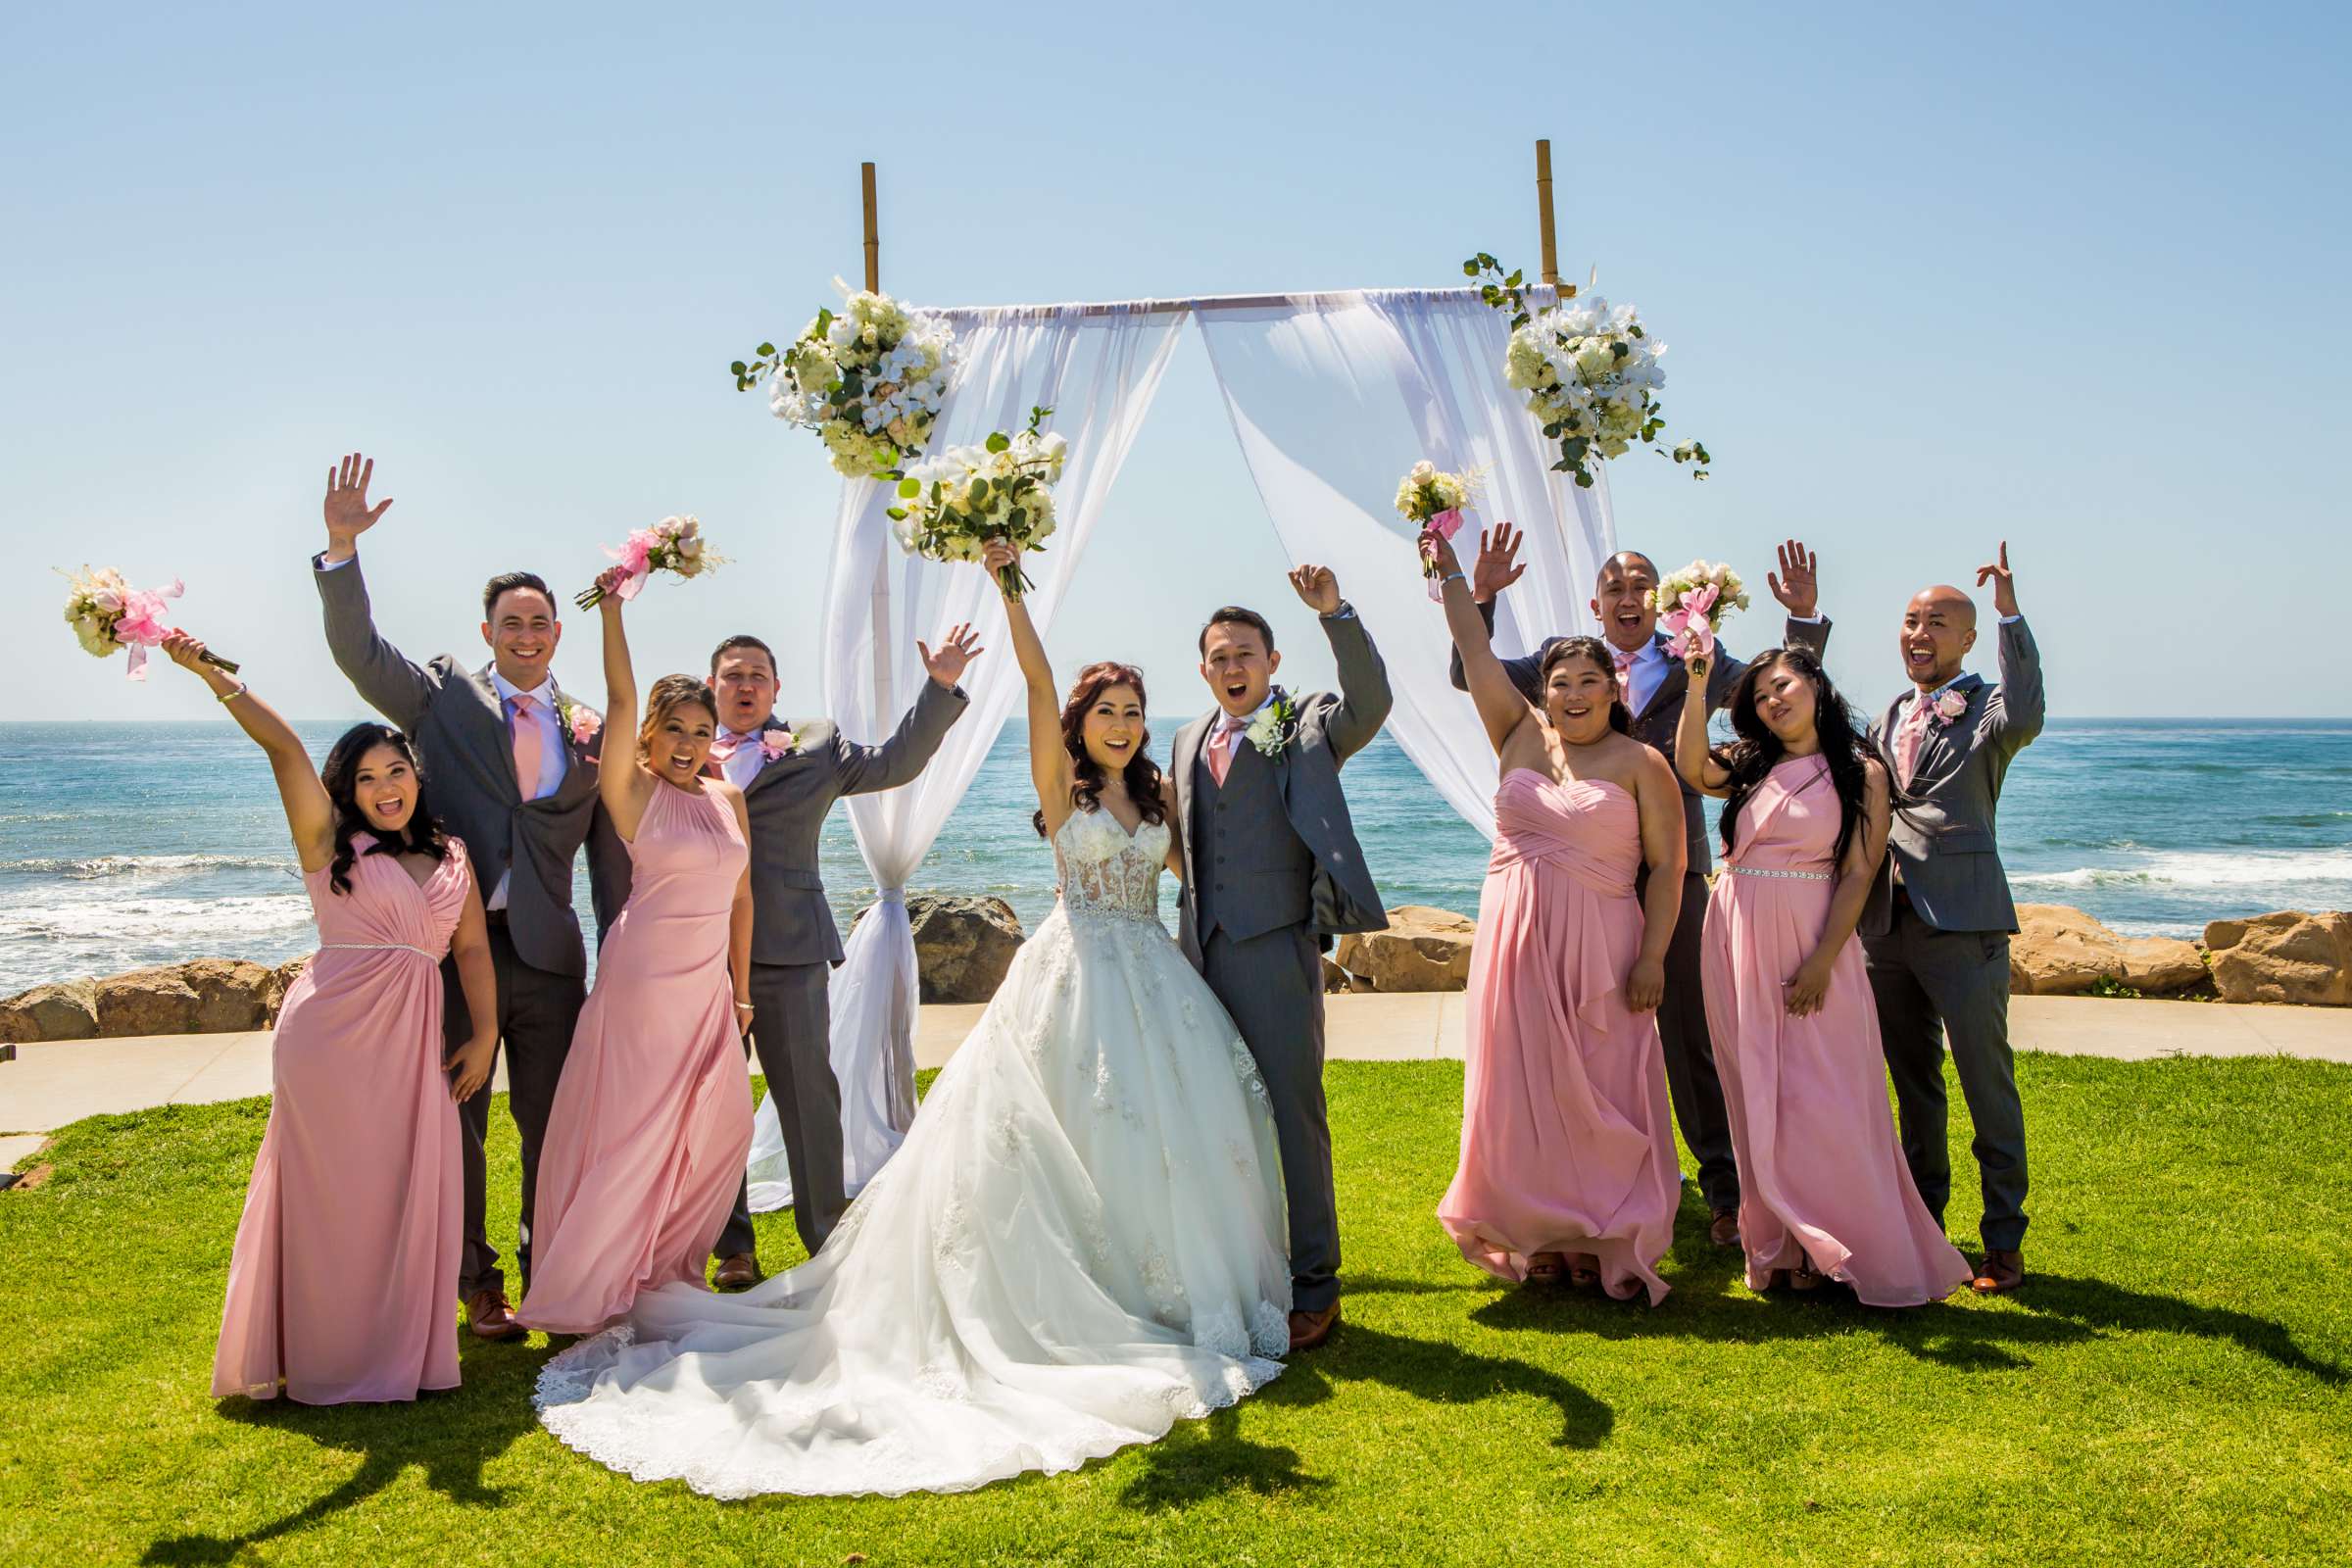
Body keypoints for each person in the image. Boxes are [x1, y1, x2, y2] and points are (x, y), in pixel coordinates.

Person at [530, 536, 1291, 1498]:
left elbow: (1200, 871)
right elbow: (1038, 676)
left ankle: (1145, 1290)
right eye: (1109, 711)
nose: (1125, 724)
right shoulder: (1056, 783)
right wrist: (1013, 586)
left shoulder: (1157, 791)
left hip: (1119, 978)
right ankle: (700, 1253)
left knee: (1145, 1138)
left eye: (1134, 713)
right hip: (1022, 976)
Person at [312, 453, 627, 1340]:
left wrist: (620, 956)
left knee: (553, 1128)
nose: (525, 634)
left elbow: (608, 860)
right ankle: (474, 1282)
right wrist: (342, 551)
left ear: (558, 633)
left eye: (539, 621)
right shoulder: (442, 696)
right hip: (452, 955)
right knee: (458, 1127)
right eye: (510, 622)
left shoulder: (593, 733)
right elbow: (360, 653)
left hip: (554, 961)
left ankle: (552, 1267)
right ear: (486, 631)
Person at [1452, 528, 1832, 1247]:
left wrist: (1803, 621)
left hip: (1671, 865)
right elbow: (1470, 670)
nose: (1628, 596)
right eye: (1615, 586)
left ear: (1659, 601)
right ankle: (1579, 1193)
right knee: (1570, 1040)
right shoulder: (1556, 665)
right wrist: (1481, 595)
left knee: (1689, 1037)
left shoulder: (1698, 656)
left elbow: (1778, 695)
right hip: (1565, 875)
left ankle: (1723, 1192)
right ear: (1596, 604)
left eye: (1641, 586)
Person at [168, 632, 498, 1402]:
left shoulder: (452, 854)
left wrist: (482, 1035)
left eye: (397, 772)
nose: (387, 788)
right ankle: (317, 1353)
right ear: (346, 788)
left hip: (415, 1045)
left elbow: (474, 951)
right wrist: (212, 673)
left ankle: (391, 1346)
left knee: (397, 1191)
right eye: (368, 777)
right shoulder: (329, 842)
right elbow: (283, 749)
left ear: (417, 776)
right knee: (329, 1195)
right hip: (330, 1043)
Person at [1423, 532, 1687, 1302]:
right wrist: (1447, 564)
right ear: (1544, 692)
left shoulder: (1641, 764)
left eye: (1588, 681)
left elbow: (1668, 867)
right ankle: (1533, 1235)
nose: (1574, 693)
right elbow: (1472, 647)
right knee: (1520, 1092)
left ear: (1614, 690)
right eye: (1560, 682)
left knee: (1600, 1092)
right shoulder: (1515, 734)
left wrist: (1653, 958)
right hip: (1513, 941)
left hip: (1605, 945)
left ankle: (1600, 1239)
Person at [1675, 644, 1973, 1305]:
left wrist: (1821, 961)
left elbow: (1861, 871)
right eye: (1759, 697)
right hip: (1736, 930)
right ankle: (1779, 1246)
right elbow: (1693, 769)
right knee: (1754, 1087)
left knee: (1822, 1092)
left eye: (1782, 686)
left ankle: (1835, 1244)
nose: (1772, 701)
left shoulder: (1859, 770)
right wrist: (1696, 686)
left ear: (1814, 682)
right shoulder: (1751, 764)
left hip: (1813, 935)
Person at [514, 570, 757, 1335]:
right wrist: (613, 615)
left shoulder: (728, 798)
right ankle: (594, 1280)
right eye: (673, 728)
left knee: (716, 1134)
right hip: (646, 981)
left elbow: (742, 897)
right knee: (635, 1132)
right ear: (650, 734)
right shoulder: (633, 792)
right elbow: (618, 699)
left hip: (708, 992)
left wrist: (740, 991)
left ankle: (663, 1264)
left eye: (699, 729)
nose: (686, 744)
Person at [705, 619, 981, 1287]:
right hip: (699, 950)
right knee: (711, 1107)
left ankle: (827, 1236)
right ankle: (731, 1248)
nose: (745, 686)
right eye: (732, 675)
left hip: (789, 945)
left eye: (757, 676)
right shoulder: (683, 748)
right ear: (712, 686)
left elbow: (895, 763)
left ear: (776, 688)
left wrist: (938, 688)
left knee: (808, 1098)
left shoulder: (815, 744)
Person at [1169, 561, 1392, 1351]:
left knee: (1294, 1121)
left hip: (1274, 953)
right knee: (1211, 1121)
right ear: (1203, 669)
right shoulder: (1187, 736)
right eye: (1218, 657)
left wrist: (1337, 613)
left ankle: (1315, 1287)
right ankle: (1235, 1271)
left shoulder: (1300, 722)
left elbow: (1371, 704)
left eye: (1245, 654)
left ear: (1271, 663)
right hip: (1199, 955)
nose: (1232, 667)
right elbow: (1184, 842)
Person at [1862, 545, 2044, 1295]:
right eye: (1910, 621)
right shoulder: (1886, 715)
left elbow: (2028, 705)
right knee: (1912, 1086)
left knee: (1985, 1085)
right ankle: (1924, 1228)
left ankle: (2003, 1241)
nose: (1919, 633)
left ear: (1966, 639)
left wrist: (2010, 612)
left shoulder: (1991, 712)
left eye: (1937, 622)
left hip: (1963, 924)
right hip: (1885, 925)